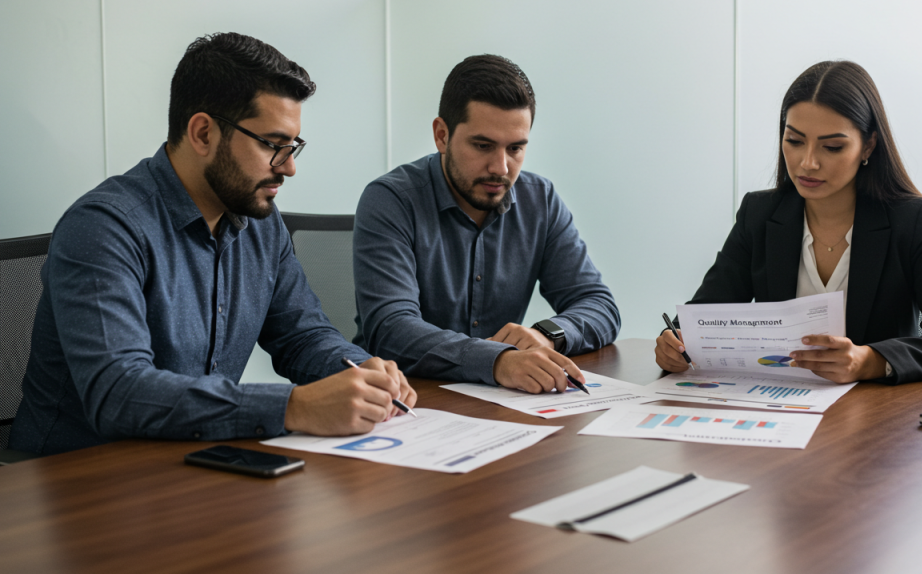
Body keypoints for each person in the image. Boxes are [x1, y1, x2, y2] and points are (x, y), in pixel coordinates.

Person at [11, 33, 416, 457]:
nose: (289, 168)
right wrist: (293, 407)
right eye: (273, 145)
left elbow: (302, 335)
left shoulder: (260, 221)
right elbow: (120, 392)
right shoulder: (103, 228)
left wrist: (358, 370)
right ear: (203, 133)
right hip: (75, 484)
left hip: (193, 464)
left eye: (293, 147)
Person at [656, 60, 922, 383]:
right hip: (779, 405)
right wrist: (675, 345)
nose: (807, 162)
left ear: (868, 145)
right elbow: (703, 318)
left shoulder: (913, 220)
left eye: (832, 147)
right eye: (794, 141)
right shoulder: (760, 213)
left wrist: (871, 361)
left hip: (877, 417)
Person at [352, 54, 620, 393]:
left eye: (515, 149)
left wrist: (547, 334)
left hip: (497, 401)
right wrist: (497, 360)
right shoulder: (391, 200)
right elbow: (391, 329)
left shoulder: (541, 199)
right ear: (442, 135)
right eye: (483, 146)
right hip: (403, 399)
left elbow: (599, 305)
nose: (501, 168)